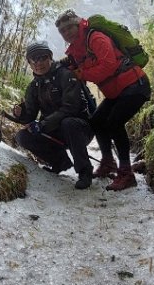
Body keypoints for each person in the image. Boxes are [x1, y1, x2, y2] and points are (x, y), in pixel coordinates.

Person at [55, 10, 151, 191]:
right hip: (117, 92)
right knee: (97, 121)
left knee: (114, 123)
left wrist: (82, 74)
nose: (67, 33)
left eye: (69, 28)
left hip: (134, 85)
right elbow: (75, 65)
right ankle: (108, 162)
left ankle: (126, 173)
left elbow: (109, 65)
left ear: (78, 24)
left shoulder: (95, 37)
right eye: (63, 31)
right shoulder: (76, 50)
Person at [13, 40, 95, 190]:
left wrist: (42, 125)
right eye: (34, 59)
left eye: (42, 57)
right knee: (22, 136)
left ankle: (85, 172)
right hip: (53, 130)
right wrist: (20, 113)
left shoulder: (66, 75)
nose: (38, 63)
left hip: (80, 129)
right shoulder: (33, 86)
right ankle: (60, 162)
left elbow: (70, 108)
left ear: (50, 57)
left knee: (68, 123)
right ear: (29, 63)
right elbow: (30, 116)